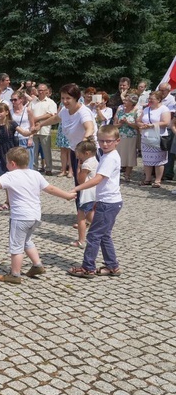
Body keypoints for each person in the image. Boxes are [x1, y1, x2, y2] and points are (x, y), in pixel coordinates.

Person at [0, 147, 75, 284]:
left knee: (16, 246)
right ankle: (37, 265)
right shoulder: (35, 174)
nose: (6, 165)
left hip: (20, 217)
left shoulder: (10, 176)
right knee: (26, 241)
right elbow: (50, 189)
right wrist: (67, 195)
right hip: (35, 217)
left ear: (13, 164)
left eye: (7, 162)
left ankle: (15, 274)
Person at [67, 125, 123, 278]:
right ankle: (112, 266)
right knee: (104, 234)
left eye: (109, 141)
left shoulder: (110, 158)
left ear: (117, 141)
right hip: (109, 201)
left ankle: (88, 268)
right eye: (102, 141)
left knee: (93, 236)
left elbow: (98, 179)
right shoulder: (107, 154)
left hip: (109, 203)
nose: (105, 144)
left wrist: (77, 188)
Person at [137, 90, 171, 188]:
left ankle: (157, 180)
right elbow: (138, 121)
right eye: (149, 99)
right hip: (146, 138)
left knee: (159, 160)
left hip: (158, 138)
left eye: (152, 99)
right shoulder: (146, 109)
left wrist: (152, 125)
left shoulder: (164, 109)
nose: (150, 101)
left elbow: (166, 122)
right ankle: (147, 179)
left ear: (159, 99)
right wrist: (142, 125)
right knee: (147, 160)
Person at [71, 140, 98, 248]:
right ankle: (100, 231)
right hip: (94, 193)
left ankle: (81, 240)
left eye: (78, 153)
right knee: (91, 215)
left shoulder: (86, 164)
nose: (77, 156)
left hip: (87, 194)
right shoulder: (95, 160)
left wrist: (78, 167)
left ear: (86, 153)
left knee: (81, 216)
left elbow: (80, 180)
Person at [30, 84, 58, 175]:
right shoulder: (33, 101)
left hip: (45, 129)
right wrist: (33, 121)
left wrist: (37, 119)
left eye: (42, 90)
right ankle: (34, 168)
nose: (41, 92)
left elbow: (51, 114)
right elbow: (29, 112)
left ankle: (48, 168)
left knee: (46, 151)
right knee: (34, 150)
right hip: (33, 129)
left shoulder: (51, 102)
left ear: (47, 91)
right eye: (39, 90)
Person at [113, 94, 139, 182]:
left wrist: (128, 122)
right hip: (120, 136)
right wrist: (120, 124)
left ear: (132, 103)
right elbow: (114, 124)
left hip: (131, 136)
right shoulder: (120, 111)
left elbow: (137, 126)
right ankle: (115, 173)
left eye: (127, 100)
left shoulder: (136, 111)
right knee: (118, 154)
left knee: (130, 155)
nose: (124, 102)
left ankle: (127, 174)